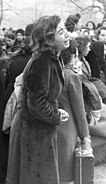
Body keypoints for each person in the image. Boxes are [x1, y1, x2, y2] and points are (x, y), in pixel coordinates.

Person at [6, 15, 70, 184]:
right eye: (62, 32)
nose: (68, 35)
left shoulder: (52, 59)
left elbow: (44, 97)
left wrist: (57, 110)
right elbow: (36, 104)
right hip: (31, 134)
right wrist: (55, 115)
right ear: (49, 39)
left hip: (40, 131)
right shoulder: (41, 62)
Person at [57, 39, 93, 183]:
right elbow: (79, 110)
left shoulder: (55, 72)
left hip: (53, 125)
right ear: (73, 55)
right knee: (66, 173)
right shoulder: (71, 76)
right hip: (68, 129)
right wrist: (85, 136)